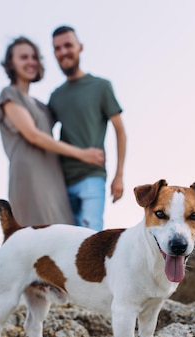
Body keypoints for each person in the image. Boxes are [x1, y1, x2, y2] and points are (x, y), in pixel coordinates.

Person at [0, 36, 105, 226]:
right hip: (29, 177)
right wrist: (82, 154)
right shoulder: (9, 95)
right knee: (34, 240)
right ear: (11, 63)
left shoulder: (42, 106)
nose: (31, 62)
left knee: (63, 239)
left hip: (54, 180)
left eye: (34, 57)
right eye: (23, 57)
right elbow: (33, 136)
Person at [48, 26, 127, 231]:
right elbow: (43, 137)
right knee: (66, 244)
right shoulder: (56, 97)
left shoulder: (100, 87)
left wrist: (118, 176)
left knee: (91, 238)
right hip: (60, 181)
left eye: (68, 45)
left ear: (80, 47)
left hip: (92, 177)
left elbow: (120, 130)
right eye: (57, 48)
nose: (63, 51)